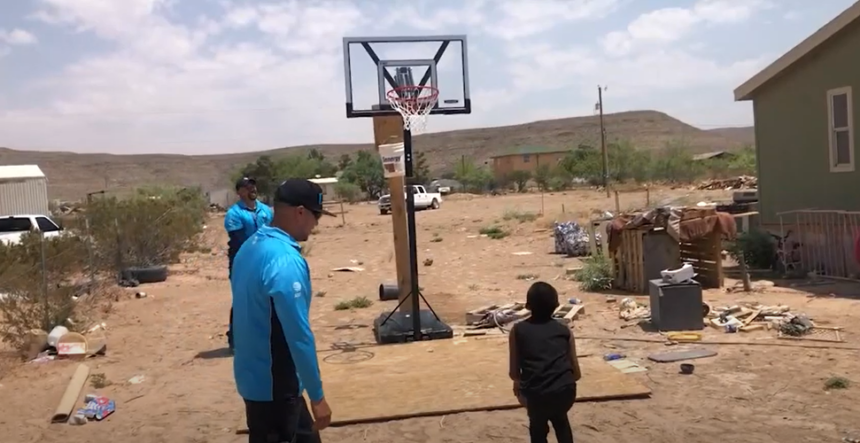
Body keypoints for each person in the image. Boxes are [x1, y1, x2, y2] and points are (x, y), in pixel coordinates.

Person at [231, 178, 336, 443]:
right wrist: (317, 396)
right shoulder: (285, 261)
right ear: (301, 212)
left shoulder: (250, 247)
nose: (316, 225)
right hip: (276, 387)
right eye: (316, 216)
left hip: (252, 378)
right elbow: (298, 336)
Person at [509, 281, 582, 443]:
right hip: (566, 393)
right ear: (555, 306)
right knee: (560, 419)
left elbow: (514, 373)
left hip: (536, 395)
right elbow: (576, 374)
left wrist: (520, 389)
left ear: (528, 306)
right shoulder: (564, 330)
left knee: (537, 425)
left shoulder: (517, 330)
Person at [224, 177, 273, 351]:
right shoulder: (234, 214)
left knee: (268, 298)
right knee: (243, 300)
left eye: (253, 185)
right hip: (242, 263)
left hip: (266, 261)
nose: (252, 188)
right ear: (239, 192)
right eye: (247, 186)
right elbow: (238, 240)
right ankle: (235, 340)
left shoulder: (266, 210)